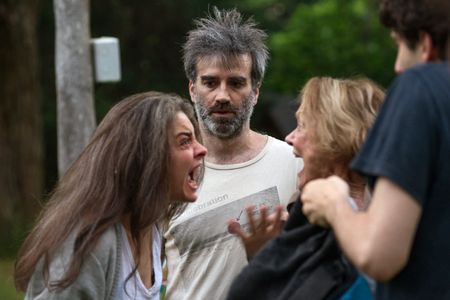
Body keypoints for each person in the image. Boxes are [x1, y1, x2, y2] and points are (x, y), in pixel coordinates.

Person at [300, 0, 450, 299]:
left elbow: (378, 255)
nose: (397, 65)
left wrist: (333, 203)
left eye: (399, 45)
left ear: (425, 43)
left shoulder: (421, 86)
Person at [163, 7, 302, 300]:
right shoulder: (169, 172)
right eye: (210, 82)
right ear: (192, 89)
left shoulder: (294, 163)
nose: (222, 96)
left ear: (256, 92)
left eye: (236, 83)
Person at [14, 91, 207, 299]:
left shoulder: (150, 228)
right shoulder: (91, 244)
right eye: (185, 141)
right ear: (148, 156)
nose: (202, 149)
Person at [227, 76, 385, 300]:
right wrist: (270, 254)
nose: (290, 137)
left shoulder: (386, 235)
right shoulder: (304, 222)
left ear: (336, 138)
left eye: (302, 125)